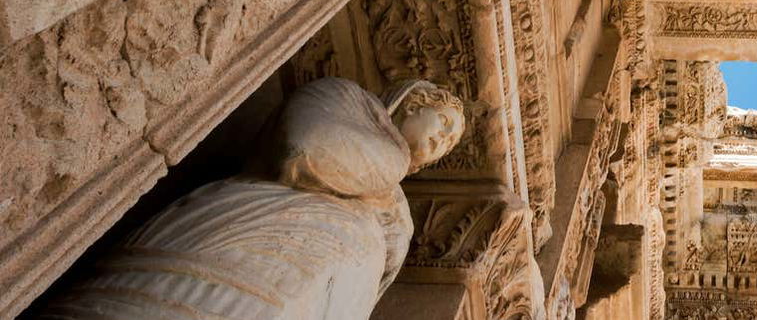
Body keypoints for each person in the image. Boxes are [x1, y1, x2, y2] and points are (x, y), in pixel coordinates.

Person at [42, 77, 465, 320]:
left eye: (449, 143)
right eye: (443, 122)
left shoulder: (400, 216)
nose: (443, 139)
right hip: (249, 238)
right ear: (412, 102)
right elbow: (306, 147)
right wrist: (393, 164)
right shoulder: (346, 99)